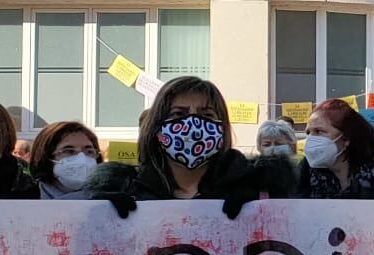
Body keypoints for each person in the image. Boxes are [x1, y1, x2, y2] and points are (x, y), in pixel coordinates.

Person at [91, 76, 285, 216]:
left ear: (222, 127)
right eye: (178, 114)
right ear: (158, 127)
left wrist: (262, 205)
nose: (193, 124)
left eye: (207, 115)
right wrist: (96, 215)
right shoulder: (128, 189)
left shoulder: (259, 191)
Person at [295, 99, 374, 201]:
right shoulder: (299, 183)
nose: (311, 139)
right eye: (308, 133)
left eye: (319, 131)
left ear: (346, 138)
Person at [30, 120, 102, 200]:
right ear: (46, 157)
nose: (82, 159)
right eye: (69, 151)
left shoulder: (111, 201)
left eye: (89, 151)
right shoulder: (23, 199)